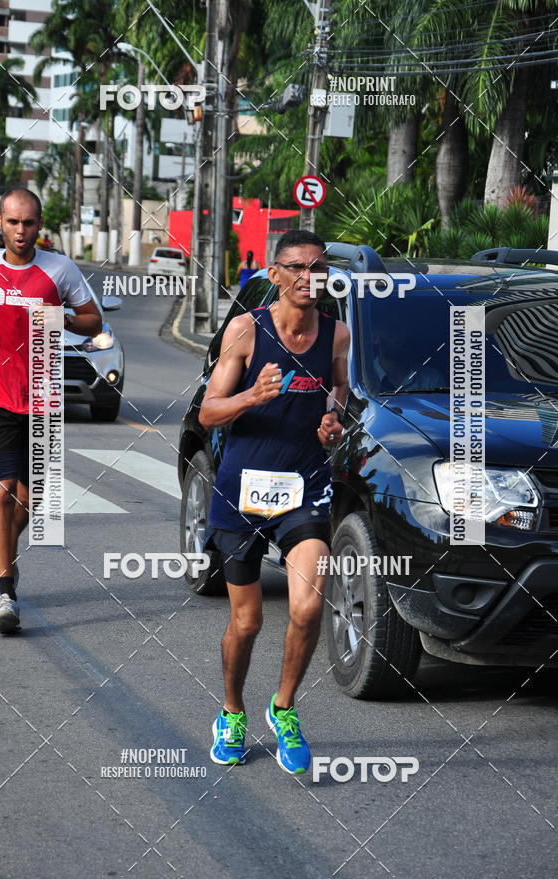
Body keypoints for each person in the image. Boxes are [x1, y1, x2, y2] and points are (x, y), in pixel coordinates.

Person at [199, 228, 350, 774]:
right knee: (248, 621)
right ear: (275, 274)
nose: (312, 278)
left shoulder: (337, 334)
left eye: (320, 267)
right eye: (300, 268)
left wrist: (333, 419)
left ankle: (283, 708)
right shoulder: (245, 331)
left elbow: (339, 388)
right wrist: (253, 395)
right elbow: (208, 412)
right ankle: (232, 711)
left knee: (309, 606)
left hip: (304, 487)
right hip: (241, 489)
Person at [0, 188, 102, 633]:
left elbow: (93, 321)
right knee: (0, 493)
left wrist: (61, 316)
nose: (22, 231)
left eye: (30, 223)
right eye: (14, 222)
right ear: (0, 221)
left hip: (44, 398)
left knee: (31, 502)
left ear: (40, 226)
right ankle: (5, 593)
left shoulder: (60, 269)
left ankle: (6, 556)